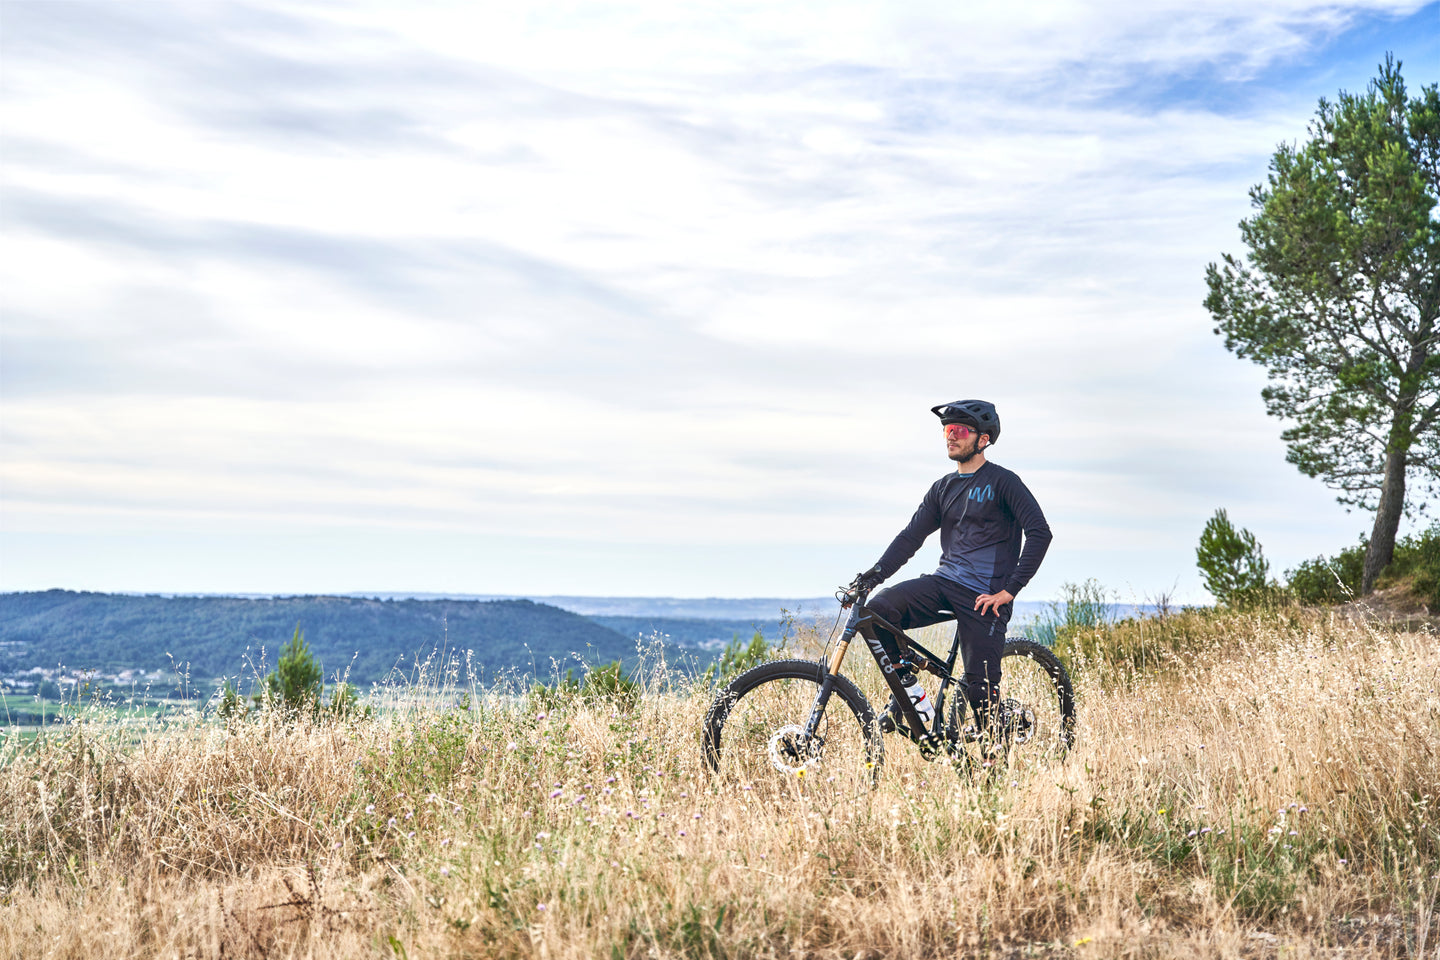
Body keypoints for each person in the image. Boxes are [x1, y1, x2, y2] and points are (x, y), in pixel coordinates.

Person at [853, 399, 1052, 736]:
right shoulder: (943, 488)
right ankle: (913, 695)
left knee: (979, 691)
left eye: (959, 430)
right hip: (944, 583)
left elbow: (1039, 533)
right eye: (947, 430)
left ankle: (992, 768)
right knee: (878, 612)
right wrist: (873, 576)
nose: (951, 437)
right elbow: (910, 537)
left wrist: (1009, 590)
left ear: (983, 438)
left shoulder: (1004, 482)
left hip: (984, 597)